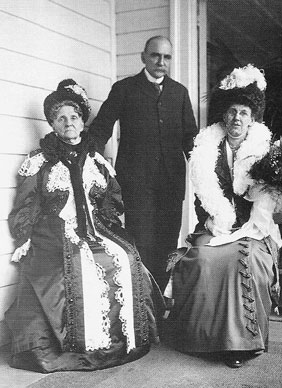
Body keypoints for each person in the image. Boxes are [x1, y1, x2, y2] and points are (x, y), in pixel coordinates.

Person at [5, 79, 163, 373]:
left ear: (82, 121)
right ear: (52, 123)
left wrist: (109, 229)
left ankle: (122, 341)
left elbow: (111, 202)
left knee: (125, 257)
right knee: (80, 262)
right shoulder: (40, 162)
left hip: (95, 227)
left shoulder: (97, 161)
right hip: (55, 230)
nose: (69, 123)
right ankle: (79, 347)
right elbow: (27, 205)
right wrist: (25, 236)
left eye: (74, 117)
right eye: (61, 118)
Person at [165, 64, 282, 368]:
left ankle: (239, 345)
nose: (236, 119)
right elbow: (202, 195)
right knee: (202, 258)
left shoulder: (264, 150)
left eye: (243, 112)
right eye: (231, 112)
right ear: (223, 115)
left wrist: (251, 223)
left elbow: (268, 203)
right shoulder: (206, 148)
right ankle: (201, 340)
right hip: (216, 224)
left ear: (252, 117)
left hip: (254, 227)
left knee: (245, 260)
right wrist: (212, 217)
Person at [89, 36, 198, 290]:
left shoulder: (179, 93)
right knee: (142, 245)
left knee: (168, 245)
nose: (161, 62)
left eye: (167, 57)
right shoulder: (124, 89)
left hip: (171, 185)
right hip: (137, 185)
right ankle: (142, 310)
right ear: (143, 57)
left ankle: (158, 310)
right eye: (155, 55)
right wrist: (86, 159)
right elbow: (101, 128)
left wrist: (210, 171)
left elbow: (190, 138)